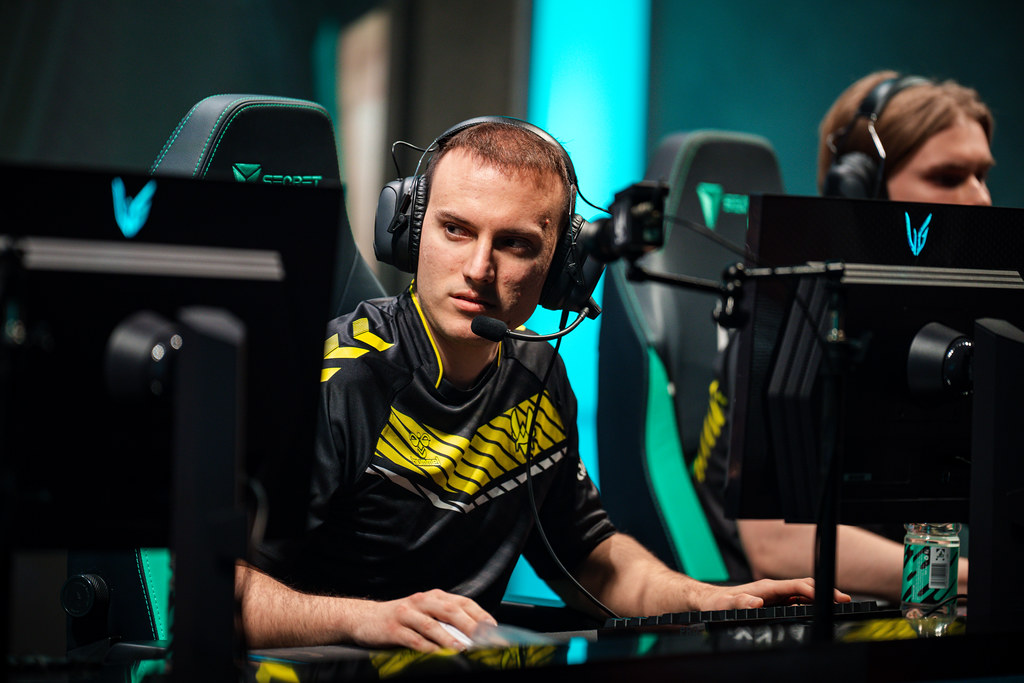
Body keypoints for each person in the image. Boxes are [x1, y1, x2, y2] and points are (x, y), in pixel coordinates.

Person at [235, 117, 844, 653]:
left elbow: (592, 558)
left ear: (561, 269)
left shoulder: (538, 375)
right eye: (456, 230)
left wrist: (708, 599)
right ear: (410, 231)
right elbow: (218, 586)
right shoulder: (338, 380)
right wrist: (365, 620)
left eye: (515, 244)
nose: (479, 268)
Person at [693, 70, 994, 604]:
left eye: (982, 175)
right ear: (861, 189)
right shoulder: (789, 328)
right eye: (948, 177)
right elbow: (777, 544)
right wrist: (980, 576)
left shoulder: (960, 336)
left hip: (903, 611)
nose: (980, 199)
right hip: (787, 622)